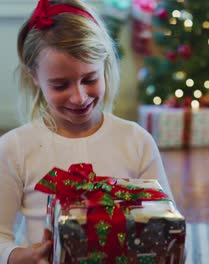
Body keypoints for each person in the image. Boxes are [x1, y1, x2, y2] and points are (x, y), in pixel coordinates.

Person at [0, 0, 174, 263]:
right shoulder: (14, 147)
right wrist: (16, 256)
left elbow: (168, 223)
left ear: (104, 66)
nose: (79, 97)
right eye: (60, 85)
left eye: (90, 79)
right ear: (33, 76)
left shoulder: (136, 141)